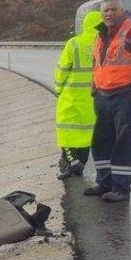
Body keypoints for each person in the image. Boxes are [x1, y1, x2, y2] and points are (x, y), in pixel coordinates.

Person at [84, 0, 131, 203]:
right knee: (101, 141)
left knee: (125, 142)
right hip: (103, 97)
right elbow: (97, 63)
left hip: (125, 96)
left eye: (113, 10)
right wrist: (94, 88)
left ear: (121, 11)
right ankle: (104, 182)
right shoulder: (101, 34)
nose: (108, 13)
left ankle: (121, 188)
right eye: (105, 10)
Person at [53, 10, 101, 179]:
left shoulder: (74, 43)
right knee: (86, 133)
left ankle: (73, 163)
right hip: (93, 97)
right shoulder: (103, 43)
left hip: (71, 96)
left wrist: (58, 89)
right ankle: (82, 162)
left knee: (65, 130)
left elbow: (62, 69)